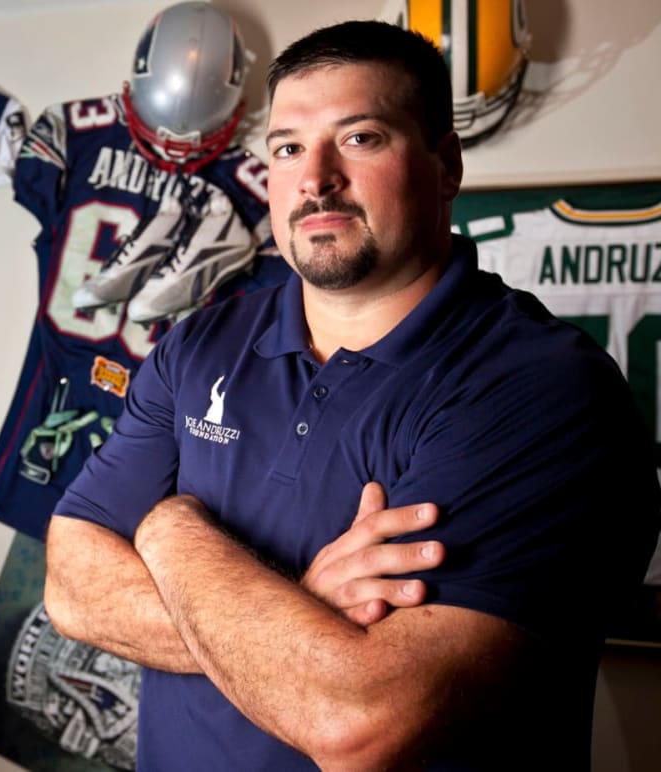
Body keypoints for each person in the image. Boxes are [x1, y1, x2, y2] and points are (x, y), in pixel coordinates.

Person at [44, 19, 661, 771]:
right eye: (287, 147)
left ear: (445, 165)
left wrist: (170, 530)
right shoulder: (199, 344)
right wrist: (301, 615)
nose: (314, 179)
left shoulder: (541, 391)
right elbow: (71, 587)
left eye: (360, 137)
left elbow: (358, 721)